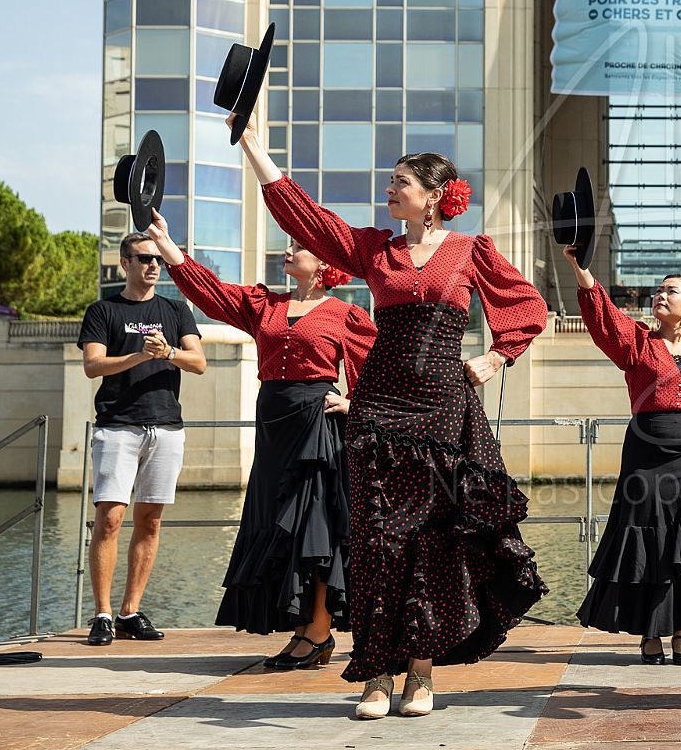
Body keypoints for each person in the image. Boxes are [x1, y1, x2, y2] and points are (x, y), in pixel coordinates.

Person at [234, 115, 548, 719]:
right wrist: (254, 147)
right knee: (376, 537)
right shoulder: (376, 249)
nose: (389, 188)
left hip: (443, 406)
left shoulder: (470, 251)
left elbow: (527, 304)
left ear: (433, 196)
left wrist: (496, 355)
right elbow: (310, 220)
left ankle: (421, 675)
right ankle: (376, 673)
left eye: (400, 181)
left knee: (432, 537)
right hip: (378, 402)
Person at [150, 211, 376, 668]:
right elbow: (211, 292)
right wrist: (167, 244)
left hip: (315, 427)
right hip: (273, 427)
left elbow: (381, 367)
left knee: (314, 529)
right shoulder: (264, 305)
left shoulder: (346, 314)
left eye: (298, 246)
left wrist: (355, 403)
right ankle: (302, 629)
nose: (287, 251)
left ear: (324, 262)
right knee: (279, 527)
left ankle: (319, 631)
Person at [565, 247, 681, 664]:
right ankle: (650, 632)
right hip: (645, 452)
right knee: (648, 538)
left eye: (671, 291)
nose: (660, 295)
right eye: (658, 290)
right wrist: (580, 267)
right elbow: (602, 315)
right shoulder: (636, 342)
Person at [78, 231, 207, 646]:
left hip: (166, 426)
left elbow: (198, 362)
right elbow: (93, 366)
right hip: (118, 425)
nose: (154, 266)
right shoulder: (103, 310)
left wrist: (167, 352)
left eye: (158, 260)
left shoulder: (175, 309)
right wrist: (139, 355)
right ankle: (102, 614)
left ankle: (129, 612)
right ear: (126, 263)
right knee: (110, 519)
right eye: (145, 259)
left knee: (150, 521)